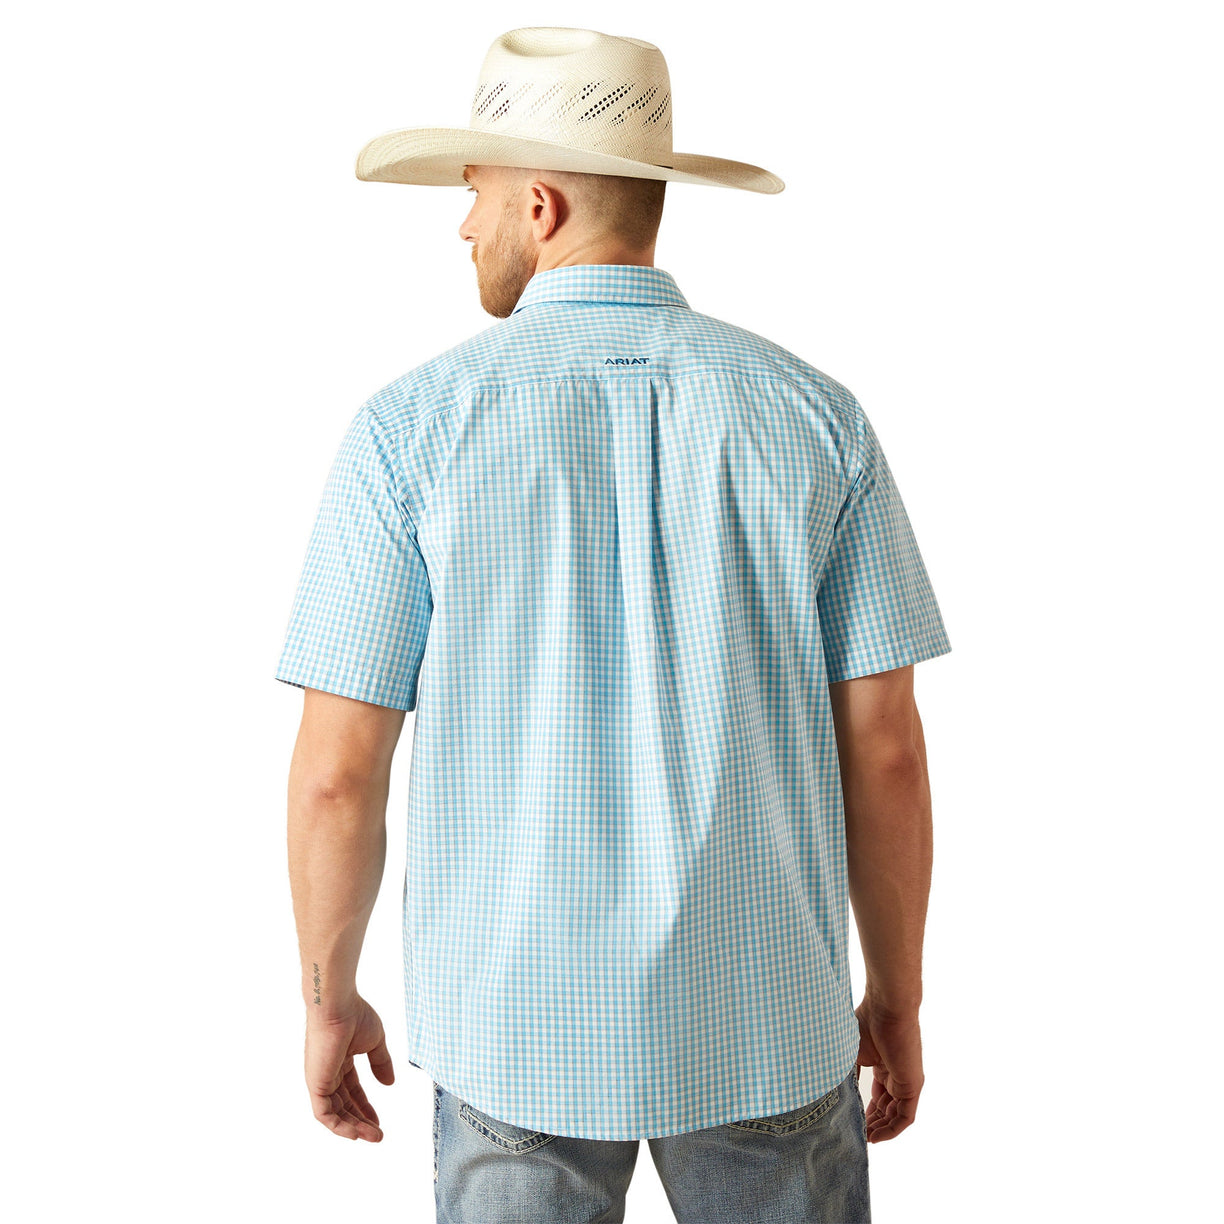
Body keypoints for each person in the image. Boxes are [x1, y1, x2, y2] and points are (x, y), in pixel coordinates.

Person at [275, 25, 951, 1224]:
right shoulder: (815, 418)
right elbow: (885, 745)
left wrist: (326, 994)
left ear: (539, 205)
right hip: (766, 1020)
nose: (462, 225)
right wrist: (894, 989)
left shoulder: (407, 435)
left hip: (512, 1032)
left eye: (473, 194)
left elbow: (338, 774)